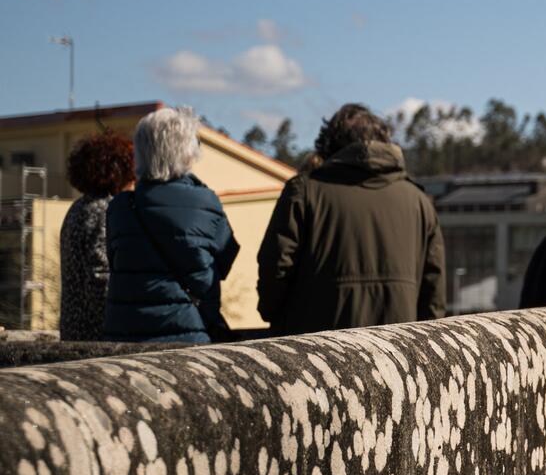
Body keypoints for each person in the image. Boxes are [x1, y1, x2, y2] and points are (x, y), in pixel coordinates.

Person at [257, 103, 445, 334]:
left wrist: (275, 317)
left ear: (329, 146)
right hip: (397, 352)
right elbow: (433, 290)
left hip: (317, 349)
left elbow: (276, 267)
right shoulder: (419, 201)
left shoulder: (304, 191)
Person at [104, 106, 239, 344]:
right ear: (187, 151)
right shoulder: (206, 202)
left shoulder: (120, 207)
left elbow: (115, 262)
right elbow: (225, 260)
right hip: (189, 334)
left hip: (123, 336)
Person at [58, 130, 136, 340]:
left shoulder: (78, 208)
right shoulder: (103, 210)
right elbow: (100, 278)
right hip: (95, 335)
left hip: (74, 329)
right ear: (119, 173)